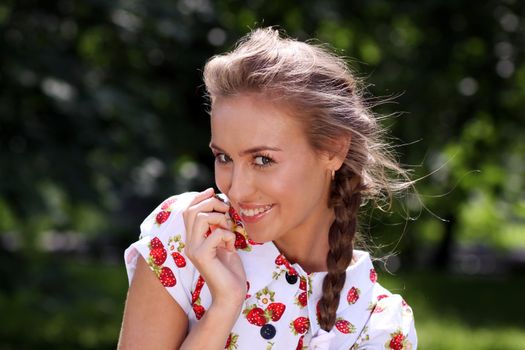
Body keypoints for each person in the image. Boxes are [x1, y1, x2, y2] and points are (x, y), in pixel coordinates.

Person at [118, 27, 417, 350]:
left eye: (262, 159)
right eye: (224, 157)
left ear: (333, 150)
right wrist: (224, 307)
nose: (238, 190)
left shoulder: (380, 324)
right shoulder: (186, 238)